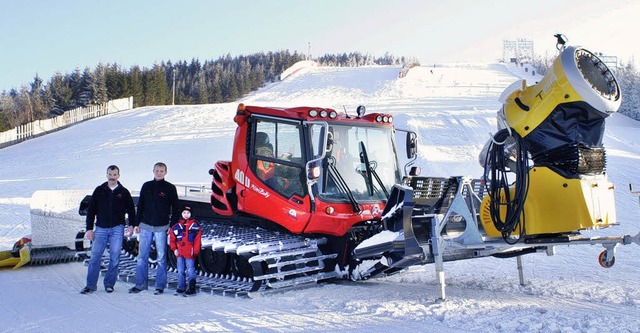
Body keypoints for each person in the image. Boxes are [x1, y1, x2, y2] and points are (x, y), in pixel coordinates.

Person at [80, 165, 136, 294]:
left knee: (115, 257)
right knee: (95, 257)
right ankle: (90, 285)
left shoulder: (124, 192)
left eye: (114, 175)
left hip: (117, 229)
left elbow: (131, 211)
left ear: (118, 176)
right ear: (107, 175)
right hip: (101, 229)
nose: (112, 177)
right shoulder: (99, 190)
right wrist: (89, 229)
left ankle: (109, 284)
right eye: (110, 175)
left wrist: (132, 225)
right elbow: (91, 211)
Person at [128, 162, 179, 295]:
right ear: (153, 171)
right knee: (142, 256)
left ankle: (159, 286)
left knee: (161, 257)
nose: (159, 173)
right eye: (157, 170)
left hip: (161, 227)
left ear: (165, 172)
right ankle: (140, 285)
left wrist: (172, 226)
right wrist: (137, 224)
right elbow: (140, 206)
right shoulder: (147, 186)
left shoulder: (170, 188)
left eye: (162, 171)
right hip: (145, 226)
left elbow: (176, 208)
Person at [169, 204, 202, 296]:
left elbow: (197, 241)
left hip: (189, 253)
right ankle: (181, 287)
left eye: (188, 213)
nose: (186, 214)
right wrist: (174, 249)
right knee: (180, 270)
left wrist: (195, 251)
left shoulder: (195, 226)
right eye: (184, 212)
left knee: (190, 269)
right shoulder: (176, 227)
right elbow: (172, 240)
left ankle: (191, 287)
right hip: (179, 253)